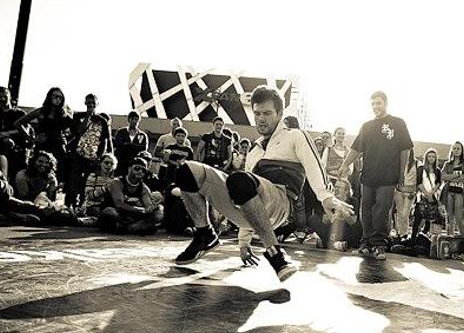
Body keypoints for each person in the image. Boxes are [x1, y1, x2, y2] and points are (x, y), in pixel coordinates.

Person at [171, 86, 353, 286]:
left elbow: (314, 165)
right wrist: (243, 243)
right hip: (250, 209)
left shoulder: (295, 136)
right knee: (187, 171)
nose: (261, 119)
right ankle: (204, 234)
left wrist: (326, 196)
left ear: (280, 114)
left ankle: (275, 254)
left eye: (267, 113)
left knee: (240, 179)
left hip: (280, 204)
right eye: (257, 114)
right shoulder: (254, 150)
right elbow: (243, 193)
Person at [340, 91, 414, 260]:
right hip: (368, 175)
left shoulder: (398, 123)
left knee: (382, 209)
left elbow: (405, 149)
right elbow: (356, 149)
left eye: (378, 103)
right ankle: (366, 242)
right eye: (373, 104)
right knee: (365, 209)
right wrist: (344, 165)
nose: (375, 107)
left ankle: (379, 244)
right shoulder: (366, 126)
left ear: (386, 103)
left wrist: (401, 173)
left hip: (388, 175)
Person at [65, 93, 113, 208]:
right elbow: (77, 132)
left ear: (97, 104)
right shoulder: (78, 116)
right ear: (85, 103)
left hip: (92, 158)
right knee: (73, 180)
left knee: (87, 182)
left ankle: (83, 205)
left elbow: (107, 139)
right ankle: (69, 204)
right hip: (78, 155)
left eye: (93, 103)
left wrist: (104, 156)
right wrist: (88, 117)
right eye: (89, 102)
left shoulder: (102, 121)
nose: (91, 105)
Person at [97, 156, 163, 234]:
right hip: (116, 214)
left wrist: (151, 207)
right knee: (109, 211)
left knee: (159, 213)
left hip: (132, 216)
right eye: (137, 168)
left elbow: (147, 206)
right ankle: (136, 227)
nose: (140, 171)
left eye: (143, 170)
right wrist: (139, 210)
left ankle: (129, 228)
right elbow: (119, 205)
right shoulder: (117, 182)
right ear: (129, 169)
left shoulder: (144, 188)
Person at [441, 142, 464, 237]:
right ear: (452, 150)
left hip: (460, 193)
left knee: (459, 218)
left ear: (462, 150)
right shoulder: (448, 164)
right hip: (449, 192)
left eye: (458, 148)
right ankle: (450, 239)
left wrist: (450, 177)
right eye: (454, 148)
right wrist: (458, 176)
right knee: (449, 218)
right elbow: (443, 176)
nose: (456, 150)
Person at [112, 111, 149, 175]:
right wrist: (135, 146)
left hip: (135, 165)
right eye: (132, 119)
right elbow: (118, 145)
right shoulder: (121, 132)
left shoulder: (143, 135)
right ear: (128, 120)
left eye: (136, 119)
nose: (134, 121)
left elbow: (143, 149)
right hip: (121, 163)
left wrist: (128, 144)